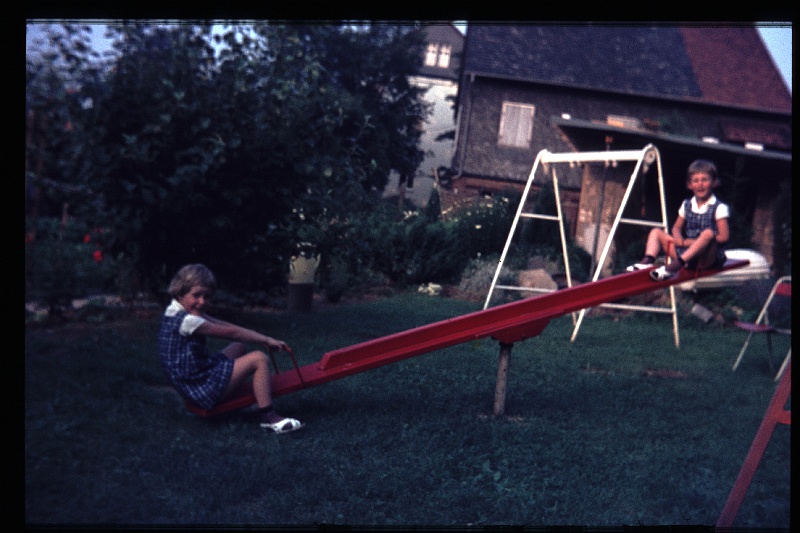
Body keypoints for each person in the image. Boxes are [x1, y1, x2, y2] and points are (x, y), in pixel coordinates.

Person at [158, 264, 303, 434]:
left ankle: (248, 398)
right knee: (259, 358)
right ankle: (268, 417)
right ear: (179, 293)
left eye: (206, 296)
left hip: (195, 378)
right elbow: (232, 332)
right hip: (200, 390)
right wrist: (266, 340)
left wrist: (262, 339)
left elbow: (225, 325)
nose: (202, 302)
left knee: (238, 347)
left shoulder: (175, 311)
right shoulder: (187, 321)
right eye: (196, 295)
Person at [627, 159, 729, 281]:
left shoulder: (718, 207)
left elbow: (723, 237)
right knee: (656, 232)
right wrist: (678, 237)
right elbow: (676, 227)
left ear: (714, 183)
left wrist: (691, 242)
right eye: (696, 181)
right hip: (687, 255)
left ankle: (674, 266)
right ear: (689, 185)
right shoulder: (687, 204)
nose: (700, 184)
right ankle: (647, 261)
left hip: (706, 259)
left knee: (708, 233)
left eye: (705, 180)